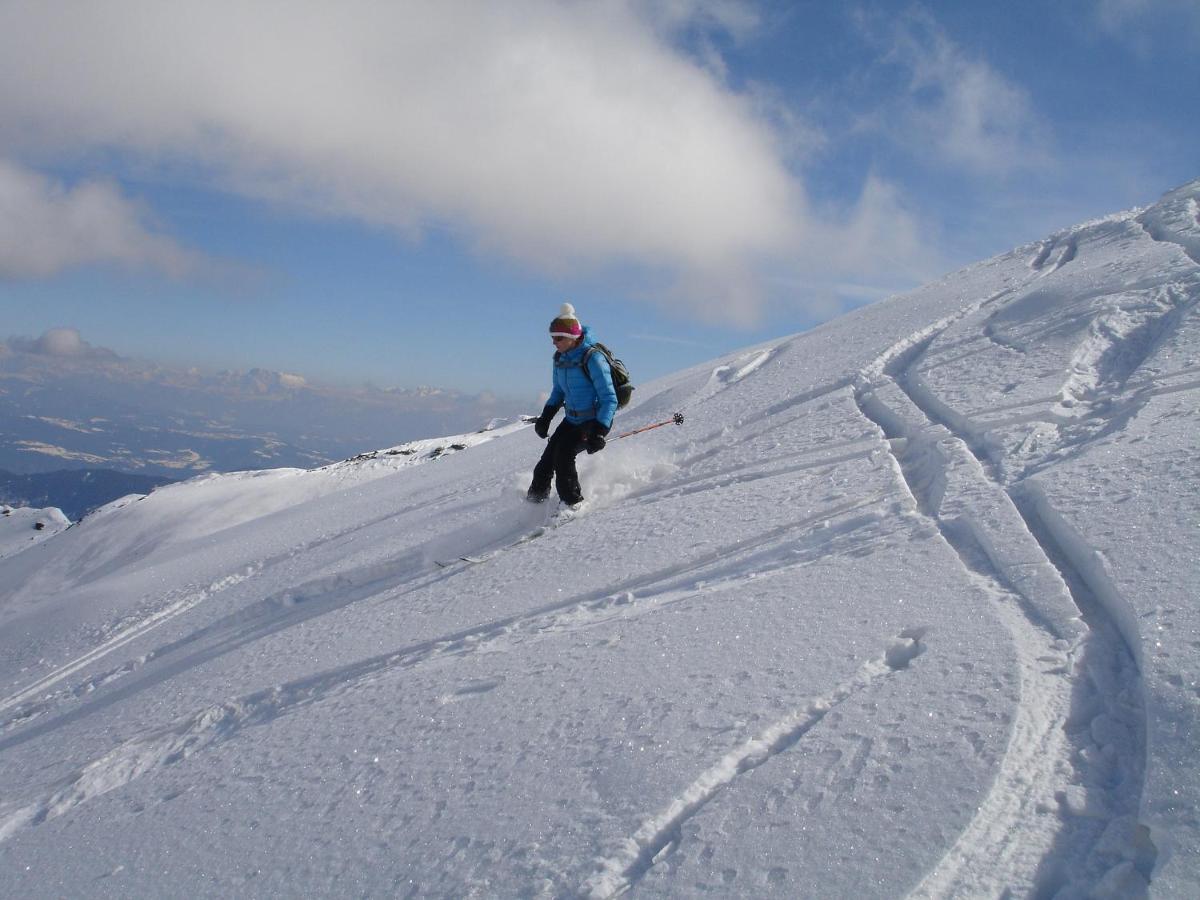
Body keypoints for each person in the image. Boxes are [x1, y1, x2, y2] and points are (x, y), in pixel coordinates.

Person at [528, 303, 618, 506]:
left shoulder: (593, 359)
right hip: (571, 419)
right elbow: (558, 392)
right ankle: (533, 504)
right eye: (552, 337)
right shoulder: (560, 359)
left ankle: (573, 505)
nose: (554, 342)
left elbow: (609, 398)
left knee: (563, 456)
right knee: (544, 465)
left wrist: (600, 430)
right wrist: (545, 418)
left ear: (572, 337)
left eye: (558, 337)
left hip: (592, 421)